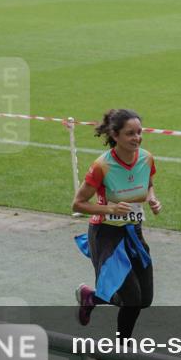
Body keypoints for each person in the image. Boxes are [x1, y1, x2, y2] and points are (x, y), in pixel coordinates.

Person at [72, 109, 161, 338]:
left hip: (133, 232)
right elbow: (78, 204)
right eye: (130, 133)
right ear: (115, 134)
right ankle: (122, 348)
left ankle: (91, 297)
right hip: (106, 235)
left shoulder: (146, 158)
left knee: (144, 299)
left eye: (139, 132)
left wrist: (152, 198)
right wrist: (109, 208)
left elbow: (148, 183)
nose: (137, 138)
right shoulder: (102, 166)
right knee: (131, 299)